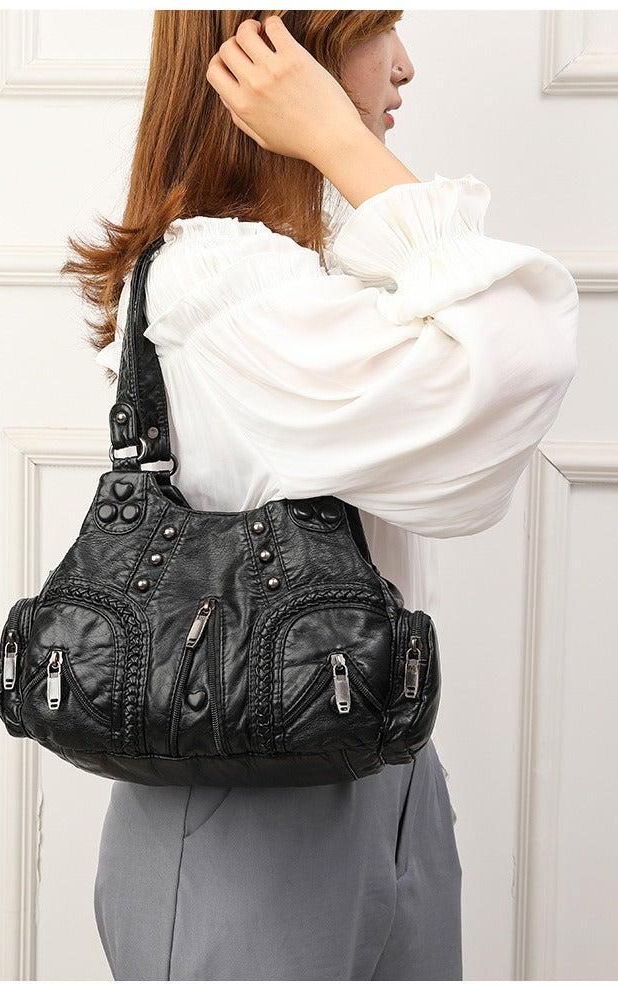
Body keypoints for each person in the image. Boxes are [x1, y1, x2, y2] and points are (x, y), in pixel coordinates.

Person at [62, 11, 579, 980]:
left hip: (390, 776)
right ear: (278, 48)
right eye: (377, 27)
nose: (405, 66)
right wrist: (342, 141)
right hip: (245, 814)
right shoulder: (222, 284)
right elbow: (519, 356)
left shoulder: (321, 267)